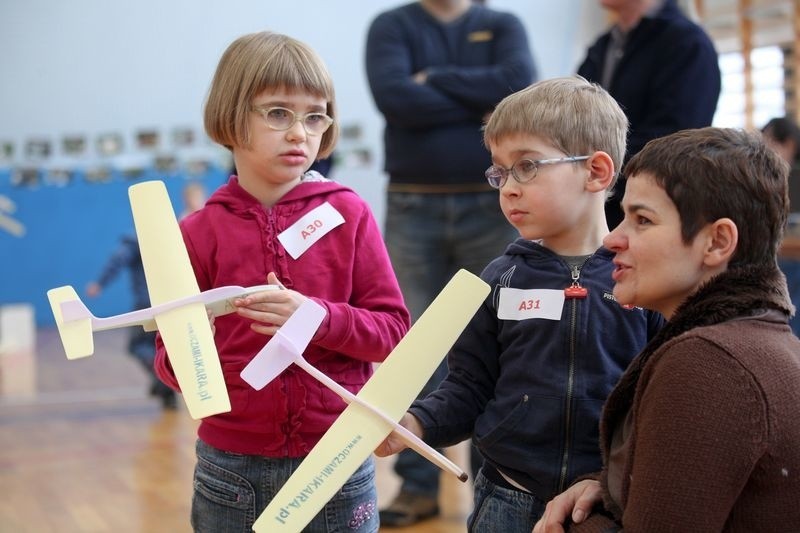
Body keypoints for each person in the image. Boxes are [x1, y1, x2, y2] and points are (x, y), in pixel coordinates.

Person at [375, 76, 665, 532]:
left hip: (604, 502)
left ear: (596, 172)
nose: (507, 188)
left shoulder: (644, 280)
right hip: (507, 498)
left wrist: (615, 480)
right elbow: (469, 385)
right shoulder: (499, 280)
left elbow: (658, 401)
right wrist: (417, 422)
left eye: (526, 166)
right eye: (499, 171)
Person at [153, 32, 410, 533]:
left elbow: (393, 331)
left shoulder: (349, 213)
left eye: (315, 116)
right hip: (232, 470)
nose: (300, 133)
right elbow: (170, 366)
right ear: (230, 117)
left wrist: (314, 318)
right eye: (277, 113)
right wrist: (193, 350)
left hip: (339, 457)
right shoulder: (196, 233)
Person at [533, 127, 800, 533]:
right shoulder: (755, 342)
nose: (611, 240)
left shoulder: (710, 364)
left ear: (716, 242)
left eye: (642, 220)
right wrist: (608, 488)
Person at [365, 0, 536, 525]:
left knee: (500, 343)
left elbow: (516, 89)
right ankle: (418, 487)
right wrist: (476, 100)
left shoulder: (503, 24)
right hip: (413, 204)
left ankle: (498, 483)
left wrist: (433, 79)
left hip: (493, 204)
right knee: (414, 348)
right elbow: (396, 101)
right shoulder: (391, 25)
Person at [578, 0, 721, 229]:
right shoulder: (602, 47)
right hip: (596, 208)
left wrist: (588, 165)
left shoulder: (687, 43)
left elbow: (675, 139)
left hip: (651, 216)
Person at [86, 235, 177, 409]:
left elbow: (117, 260)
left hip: (146, 306)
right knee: (162, 347)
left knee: (138, 346)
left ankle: (162, 381)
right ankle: (165, 385)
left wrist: (99, 283)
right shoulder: (169, 238)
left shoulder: (136, 241)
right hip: (170, 304)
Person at [763, 116, 800, 338]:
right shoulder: (769, 179)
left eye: (770, 142)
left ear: (788, 144)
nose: (765, 149)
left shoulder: (790, 178)